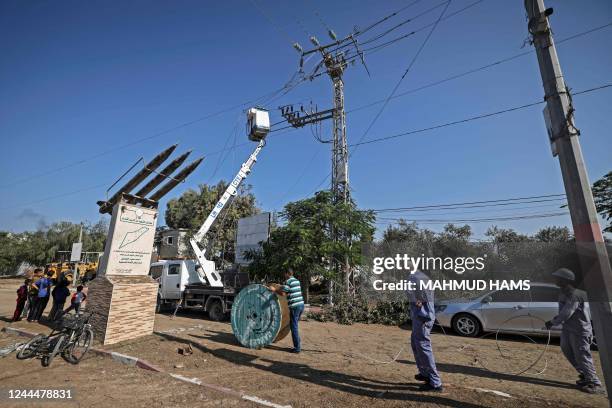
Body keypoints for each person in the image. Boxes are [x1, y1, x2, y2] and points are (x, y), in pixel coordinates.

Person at [545, 268, 603, 394]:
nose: (555, 280)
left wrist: (553, 322)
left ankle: (595, 383)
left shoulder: (575, 294)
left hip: (580, 330)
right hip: (568, 328)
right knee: (566, 349)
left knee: (582, 355)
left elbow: (567, 313)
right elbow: (563, 312)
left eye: (557, 278)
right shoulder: (562, 292)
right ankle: (585, 375)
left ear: (565, 280)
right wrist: (556, 320)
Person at [408, 270, 443, 392]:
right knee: (415, 344)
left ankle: (435, 382)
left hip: (422, 318)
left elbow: (414, 295)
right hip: (422, 317)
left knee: (423, 347)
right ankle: (424, 373)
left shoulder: (415, 278)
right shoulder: (422, 277)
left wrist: (417, 300)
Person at [274, 268, 304, 353]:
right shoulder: (297, 281)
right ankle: (298, 343)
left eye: (284, 274)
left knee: (293, 327)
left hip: (295, 306)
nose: (284, 275)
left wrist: (274, 290)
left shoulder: (288, 281)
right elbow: (288, 290)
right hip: (301, 305)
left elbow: (283, 293)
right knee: (295, 325)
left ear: (287, 273)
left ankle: (297, 348)